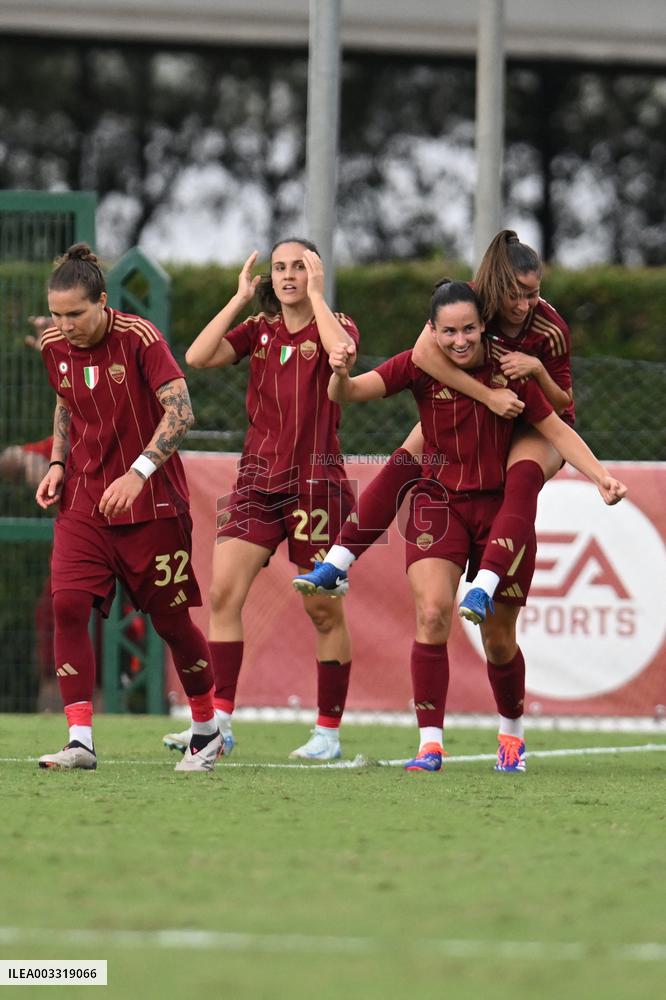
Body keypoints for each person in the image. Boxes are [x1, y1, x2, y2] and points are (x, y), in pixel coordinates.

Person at [325, 279, 626, 772]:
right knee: (431, 614)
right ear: (432, 331)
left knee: (500, 640)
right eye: (449, 331)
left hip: (497, 508)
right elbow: (350, 393)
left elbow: (556, 429)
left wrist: (601, 478)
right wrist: (339, 374)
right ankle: (430, 745)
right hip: (438, 502)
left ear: (483, 325)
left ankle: (511, 733)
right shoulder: (418, 363)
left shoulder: (511, 371)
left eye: (468, 328)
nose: (459, 339)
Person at [293, 231, 571, 622]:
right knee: (404, 464)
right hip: (478, 409)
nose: (525, 304)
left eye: (534, 293)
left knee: (523, 477)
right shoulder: (469, 302)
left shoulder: (549, 327)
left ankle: (485, 585)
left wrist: (537, 370)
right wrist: (486, 395)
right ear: (498, 287)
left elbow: (562, 406)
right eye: (517, 293)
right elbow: (421, 355)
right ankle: (337, 561)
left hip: (530, 418)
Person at [162, 239, 359, 761]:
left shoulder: (335, 322)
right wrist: (240, 298)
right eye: (281, 268)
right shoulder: (261, 331)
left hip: (318, 485)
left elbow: (344, 354)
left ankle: (328, 734)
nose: (289, 275)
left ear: (316, 272)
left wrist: (318, 295)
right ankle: (218, 724)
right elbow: (197, 356)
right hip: (254, 480)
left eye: (300, 266)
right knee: (224, 595)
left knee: (322, 610)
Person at [35, 243, 221, 772]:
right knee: (67, 605)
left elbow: (180, 412)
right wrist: (55, 463)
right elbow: (67, 402)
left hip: (152, 505)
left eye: (76, 313)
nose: (65, 325)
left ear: (103, 302)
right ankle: (79, 740)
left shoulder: (140, 338)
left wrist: (139, 473)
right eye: (57, 314)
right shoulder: (52, 345)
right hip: (84, 503)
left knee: (172, 623)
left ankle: (206, 730)